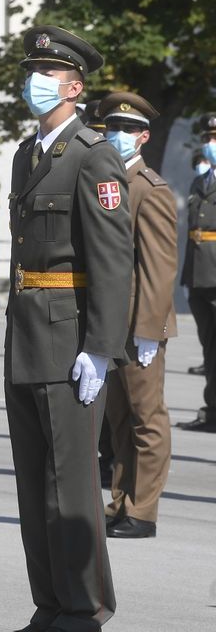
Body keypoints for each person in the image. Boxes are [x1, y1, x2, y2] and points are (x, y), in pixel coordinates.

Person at [6, 25, 131, 632]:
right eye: (32, 70)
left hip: (70, 335)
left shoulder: (93, 154)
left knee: (71, 484)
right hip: (26, 332)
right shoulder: (27, 153)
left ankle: (85, 607)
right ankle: (50, 602)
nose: (34, 81)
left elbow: (111, 259)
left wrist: (102, 348)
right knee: (34, 485)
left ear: (75, 86)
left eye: (47, 73)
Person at [94, 92, 174, 539]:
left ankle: (143, 511)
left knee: (147, 417)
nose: (117, 136)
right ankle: (122, 500)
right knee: (118, 419)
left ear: (143, 137)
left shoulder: (150, 188)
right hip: (106, 319)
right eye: (112, 128)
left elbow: (159, 266)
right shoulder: (103, 180)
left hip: (137, 320)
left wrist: (150, 328)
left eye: (127, 129)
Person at [179, 112, 216, 430]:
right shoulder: (200, 181)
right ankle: (212, 410)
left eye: (215, 139)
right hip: (200, 275)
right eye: (207, 139)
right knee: (210, 347)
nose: (210, 144)